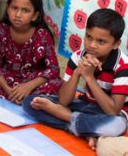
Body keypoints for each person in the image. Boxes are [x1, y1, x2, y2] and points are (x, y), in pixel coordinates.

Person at [23, 9, 128, 151]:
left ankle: (68, 119)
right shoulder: (78, 56)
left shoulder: (123, 66)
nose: (92, 45)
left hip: (109, 113)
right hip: (85, 105)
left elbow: (113, 111)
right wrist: (78, 72)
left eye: (101, 41)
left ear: (116, 44)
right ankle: (86, 132)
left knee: (117, 125)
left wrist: (90, 78)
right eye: (89, 37)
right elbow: (63, 101)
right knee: (30, 102)